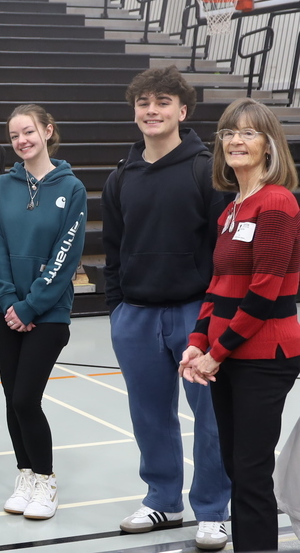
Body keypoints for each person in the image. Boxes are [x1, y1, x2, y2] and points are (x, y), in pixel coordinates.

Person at [101, 66, 231, 551]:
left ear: (182, 110)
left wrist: (212, 316)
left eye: (161, 102)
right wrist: (117, 310)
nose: (151, 111)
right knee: (150, 415)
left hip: (196, 313)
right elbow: (113, 250)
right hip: (135, 315)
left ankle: (213, 509)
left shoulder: (206, 169)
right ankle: (162, 499)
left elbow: (226, 251)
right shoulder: (121, 176)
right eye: (143, 103)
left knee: (211, 417)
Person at [180, 98, 300, 552]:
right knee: (236, 465)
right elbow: (220, 283)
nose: (236, 140)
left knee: (250, 474)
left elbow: (265, 289)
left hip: (265, 357)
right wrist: (197, 343)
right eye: (230, 132)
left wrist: (217, 351)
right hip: (229, 356)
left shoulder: (276, 202)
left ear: (269, 145)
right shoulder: (232, 207)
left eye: (249, 133)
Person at [0, 105, 86, 520]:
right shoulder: (1, 186)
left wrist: (30, 305)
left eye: (28, 131)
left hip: (47, 313)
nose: (22, 140)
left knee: (27, 397)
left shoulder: (72, 187)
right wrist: (9, 301)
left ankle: (45, 480)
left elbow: (67, 253)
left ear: (47, 131)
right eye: (14, 136)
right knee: (12, 399)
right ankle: (24, 474)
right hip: (4, 310)